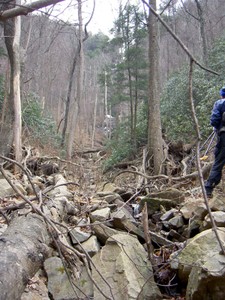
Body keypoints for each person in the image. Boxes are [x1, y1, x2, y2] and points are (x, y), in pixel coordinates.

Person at [205, 86, 225, 197]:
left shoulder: (220, 103)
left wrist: (217, 126)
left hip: (223, 136)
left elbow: (214, 120)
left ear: (222, 94)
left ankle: (208, 189)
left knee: (218, 162)